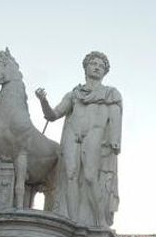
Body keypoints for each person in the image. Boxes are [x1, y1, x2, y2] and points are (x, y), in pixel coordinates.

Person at [35, 51, 122, 227]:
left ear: (105, 71)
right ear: (86, 67)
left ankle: (100, 221)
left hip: (94, 135)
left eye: (101, 65)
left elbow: (115, 118)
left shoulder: (111, 93)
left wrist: (115, 139)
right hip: (72, 135)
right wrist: (43, 100)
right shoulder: (74, 94)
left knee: (90, 176)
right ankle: (72, 223)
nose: (97, 67)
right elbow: (53, 115)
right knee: (70, 176)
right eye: (93, 63)